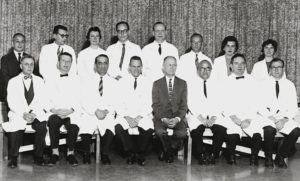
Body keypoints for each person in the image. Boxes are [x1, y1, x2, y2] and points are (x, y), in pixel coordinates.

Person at [2, 55, 48, 168]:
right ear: (21, 65)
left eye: (32, 64)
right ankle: (13, 158)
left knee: (41, 125)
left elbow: (43, 100)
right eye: (26, 64)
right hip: (18, 112)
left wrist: (34, 113)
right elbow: (11, 101)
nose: (29, 67)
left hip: (35, 113)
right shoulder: (13, 81)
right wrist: (24, 113)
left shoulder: (40, 81)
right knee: (16, 126)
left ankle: (39, 156)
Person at [257, 58, 300, 168]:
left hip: (283, 118)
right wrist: (274, 120)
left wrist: (284, 120)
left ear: (283, 69)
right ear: (270, 69)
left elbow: (293, 107)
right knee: (269, 130)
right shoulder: (262, 84)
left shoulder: (289, 85)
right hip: (267, 117)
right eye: (273, 67)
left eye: (279, 67)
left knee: (296, 131)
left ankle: (280, 156)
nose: (276, 70)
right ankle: (268, 157)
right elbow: (259, 106)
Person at [222, 53, 263, 165]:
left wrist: (249, 119)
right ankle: (231, 157)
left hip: (249, 116)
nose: (239, 66)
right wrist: (233, 117)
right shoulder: (224, 82)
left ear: (245, 65)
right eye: (236, 63)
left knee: (257, 131)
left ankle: (254, 157)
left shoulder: (252, 80)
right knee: (232, 130)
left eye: (242, 63)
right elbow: (222, 103)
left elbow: (256, 102)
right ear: (231, 66)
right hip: (232, 116)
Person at [115, 56, 154, 166]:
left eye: (138, 67)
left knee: (149, 127)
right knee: (118, 127)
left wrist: (138, 117)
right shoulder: (121, 82)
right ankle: (131, 152)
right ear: (129, 68)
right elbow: (117, 102)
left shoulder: (148, 82)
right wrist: (127, 117)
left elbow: (150, 102)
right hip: (125, 115)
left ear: (141, 68)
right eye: (133, 66)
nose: (136, 69)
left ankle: (140, 153)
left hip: (142, 115)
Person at [186, 60, 227, 165]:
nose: (205, 71)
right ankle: (201, 155)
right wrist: (202, 119)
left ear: (211, 70)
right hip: (197, 115)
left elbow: (221, 102)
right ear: (198, 70)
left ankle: (214, 154)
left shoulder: (217, 84)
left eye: (208, 68)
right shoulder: (190, 84)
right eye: (202, 68)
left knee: (221, 129)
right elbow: (190, 103)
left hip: (214, 115)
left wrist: (213, 118)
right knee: (197, 130)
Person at [79, 54, 117, 165]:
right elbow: (83, 99)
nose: (102, 66)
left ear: (108, 65)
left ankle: (104, 154)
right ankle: (86, 153)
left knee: (110, 125)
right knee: (86, 125)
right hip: (91, 112)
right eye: (100, 63)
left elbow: (116, 100)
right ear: (95, 65)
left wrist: (105, 111)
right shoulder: (87, 80)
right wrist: (95, 111)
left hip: (106, 113)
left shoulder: (114, 82)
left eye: (105, 63)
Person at [46, 52, 80, 167]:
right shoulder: (49, 79)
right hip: (56, 112)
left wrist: (71, 110)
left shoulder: (77, 79)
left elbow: (80, 98)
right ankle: (54, 153)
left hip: (71, 112)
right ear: (58, 63)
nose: (66, 63)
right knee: (53, 121)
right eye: (63, 61)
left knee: (74, 125)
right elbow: (45, 98)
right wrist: (55, 110)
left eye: (68, 61)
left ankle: (70, 153)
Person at [152, 56, 188, 163]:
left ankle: (167, 151)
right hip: (162, 117)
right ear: (163, 67)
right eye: (169, 65)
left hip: (177, 117)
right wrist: (163, 118)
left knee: (182, 133)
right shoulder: (157, 84)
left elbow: (184, 105)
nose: (172, 67)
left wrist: (177, 119)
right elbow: (155, 105)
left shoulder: (183, 83)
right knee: (159, 132)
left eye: (174, 65)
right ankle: (170, 152)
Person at [0, 33, 35, 103]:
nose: (20, 44)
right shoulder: (5, 58)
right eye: (17, 41)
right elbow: (5, 77)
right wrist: (17, 89)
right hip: (11, 93)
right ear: (13, 43)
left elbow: (33, 76)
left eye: (22, 41)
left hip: (27, 94)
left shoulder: (30, 58)